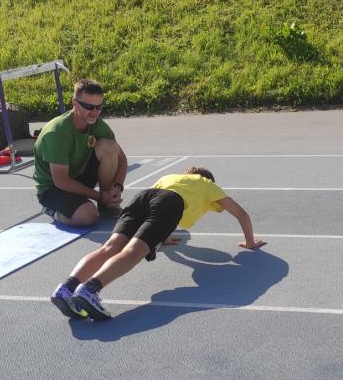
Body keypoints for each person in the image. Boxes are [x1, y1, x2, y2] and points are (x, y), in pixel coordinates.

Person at [51, 166, 266, 320]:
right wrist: (249, 242)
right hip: (169, 203)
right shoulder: (207, 184)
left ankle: (66, 288)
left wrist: (163, 236)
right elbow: (241, 213)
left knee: (110, 247)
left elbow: (153, 209)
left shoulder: (171, 177)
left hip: (143, 197)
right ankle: (90, 290)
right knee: (133, 252)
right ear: (207, 178)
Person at [32, 79, 129, 226]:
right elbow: (61, 180)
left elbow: (121, 159)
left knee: (109, 147)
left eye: (99, 107)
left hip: (78, 176)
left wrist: (117, 186)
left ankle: (108, 206)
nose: (94, 112)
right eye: (88, 106)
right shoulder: (57, 132)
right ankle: (51, 210)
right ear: (75, 103)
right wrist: (99, 196)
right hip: (53, 188)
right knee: (88, 216)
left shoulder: (98, 125)